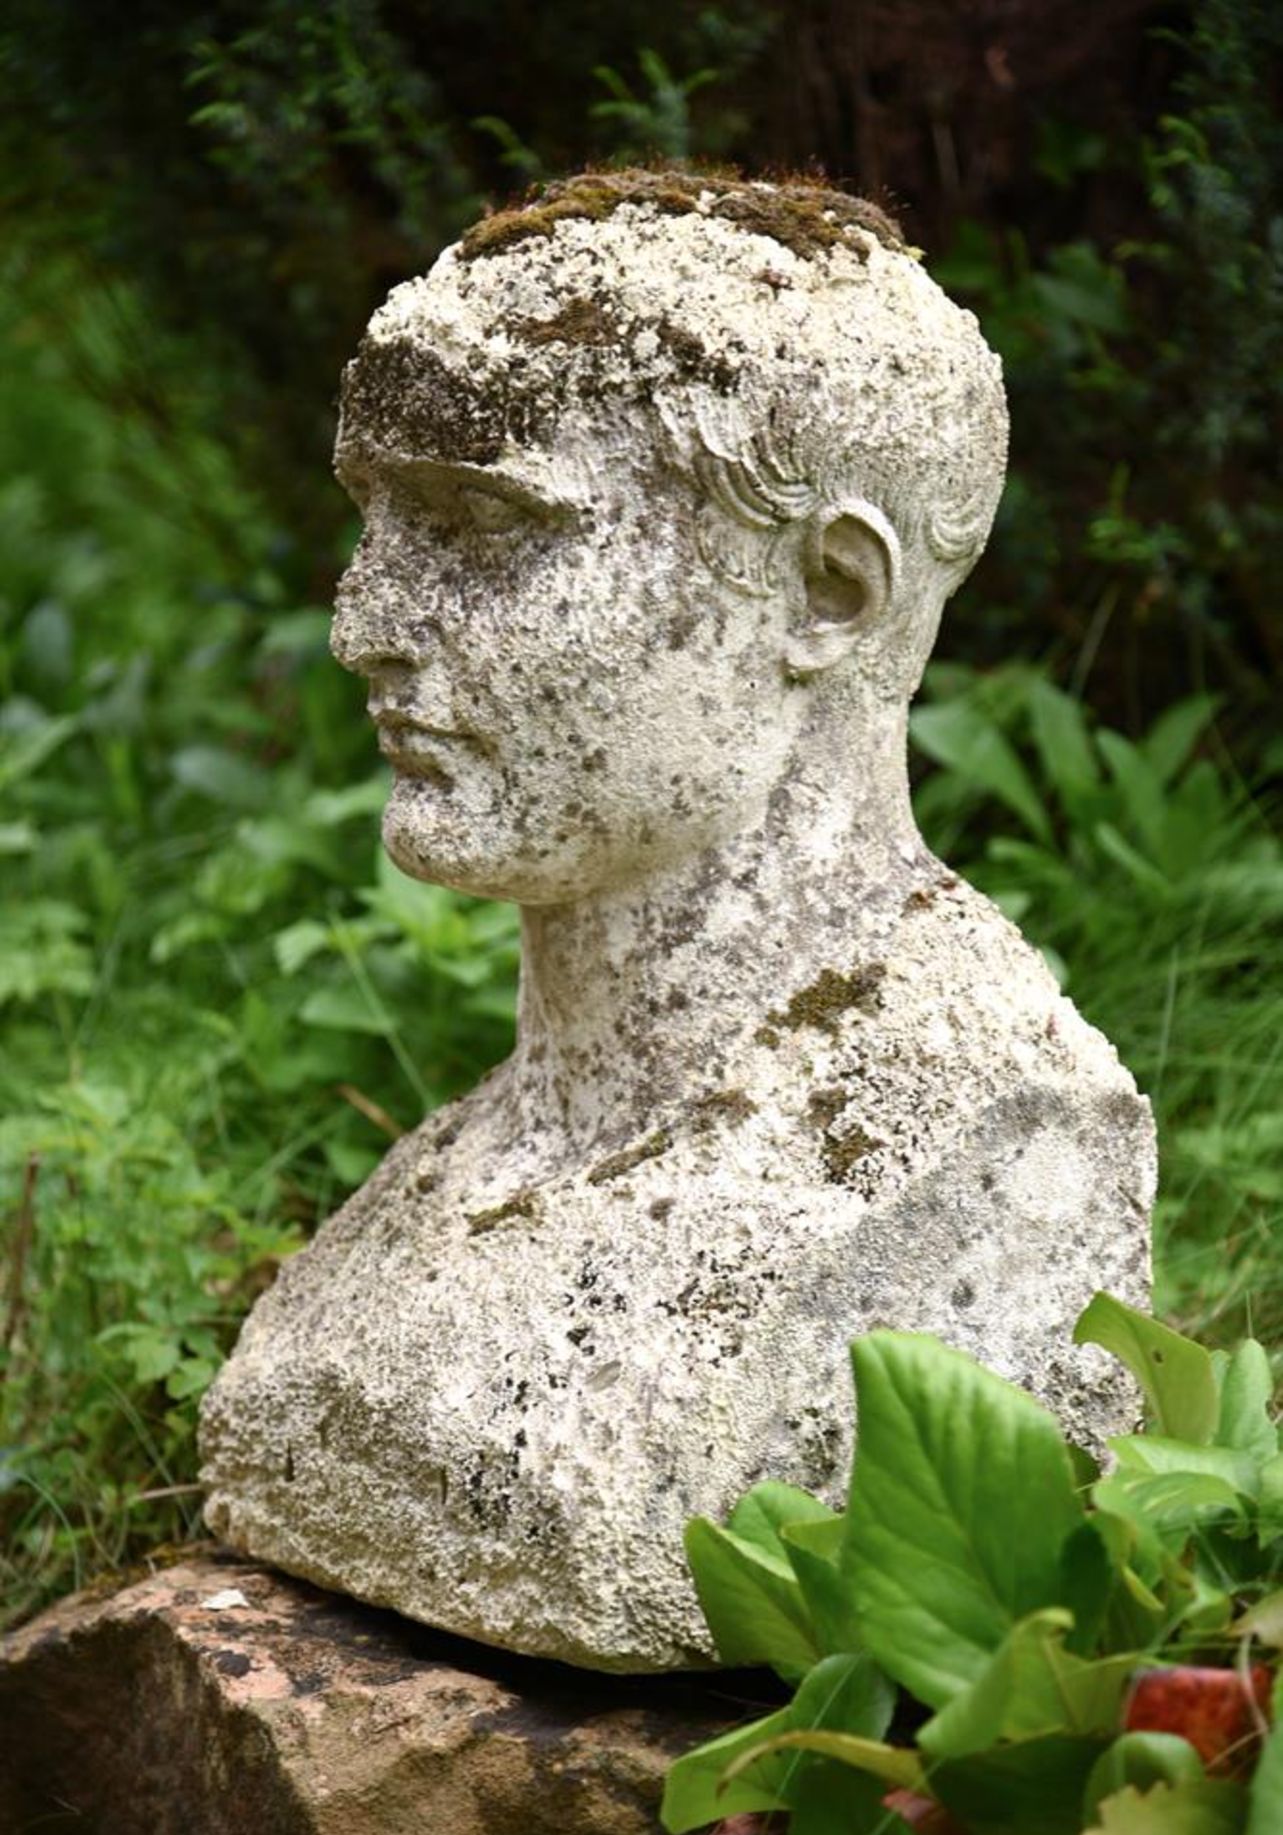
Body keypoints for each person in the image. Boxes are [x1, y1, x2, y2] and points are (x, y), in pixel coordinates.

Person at [201, 172, 1154, 1671]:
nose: (365, 622)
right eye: (377, 525)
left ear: (828, 593)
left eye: (482, 531)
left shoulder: (979, 1153)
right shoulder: (478, 1164)